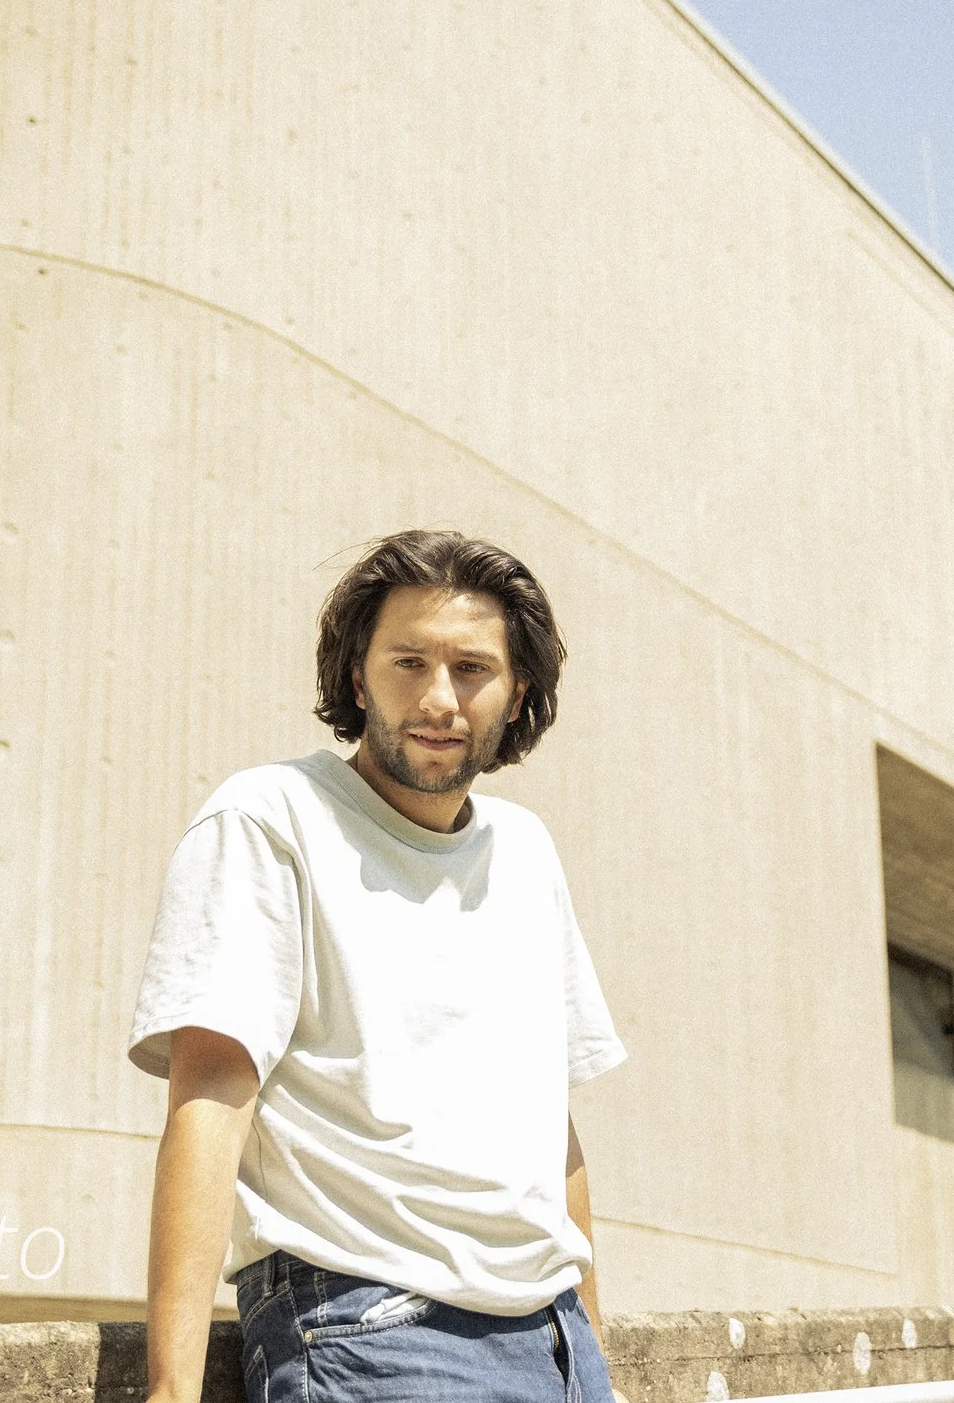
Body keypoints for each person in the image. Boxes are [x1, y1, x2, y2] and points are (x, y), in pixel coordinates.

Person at [128, 529, 630, 1403]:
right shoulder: (268, 818)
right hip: (370, 1324)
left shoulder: (525, 852)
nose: (439, 698)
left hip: (556, 1339)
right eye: (408, 663)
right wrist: (171, 1393)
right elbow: (210, 1098)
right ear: (357, 677)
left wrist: (596, 1360)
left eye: (473, 670)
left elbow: (555, 1130)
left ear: (517, 696)